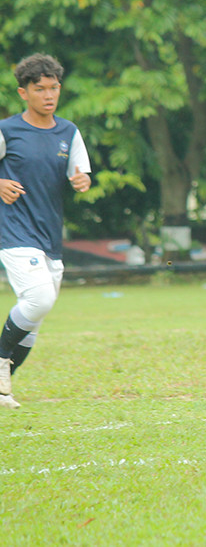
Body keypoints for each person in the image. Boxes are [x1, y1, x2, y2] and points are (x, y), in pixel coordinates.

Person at [0, 54, 92, 410]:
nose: (48, 95)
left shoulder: (68, 132)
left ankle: (3, 391)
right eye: (39, 89)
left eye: (53, 88)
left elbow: (80, 172)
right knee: (39, 300)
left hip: (50, 237)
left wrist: (83, 179)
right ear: (24, 93)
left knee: (34, 318)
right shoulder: (7, 130)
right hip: (14, 233)